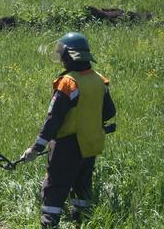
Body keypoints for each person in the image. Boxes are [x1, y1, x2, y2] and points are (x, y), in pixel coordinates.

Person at [21, 32, 116, 228]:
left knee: (55, 187)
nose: (61, 60)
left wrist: (36, 148)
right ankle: (81, 222)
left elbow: (54, 119)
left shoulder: (68, 83)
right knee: (82, 187)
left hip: (67, 146)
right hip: (91, 144)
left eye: (63, 55)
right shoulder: (99, 80)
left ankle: (49, 224)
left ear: (70, 56)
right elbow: (109, 112)